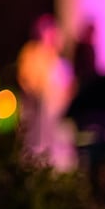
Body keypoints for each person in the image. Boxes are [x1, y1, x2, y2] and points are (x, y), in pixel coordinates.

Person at [17, 14, 75, 168]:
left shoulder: (59, 62)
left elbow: (68, 87)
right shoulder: (33, 54)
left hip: (57, 115)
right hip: (38, 110)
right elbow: (27, 80)